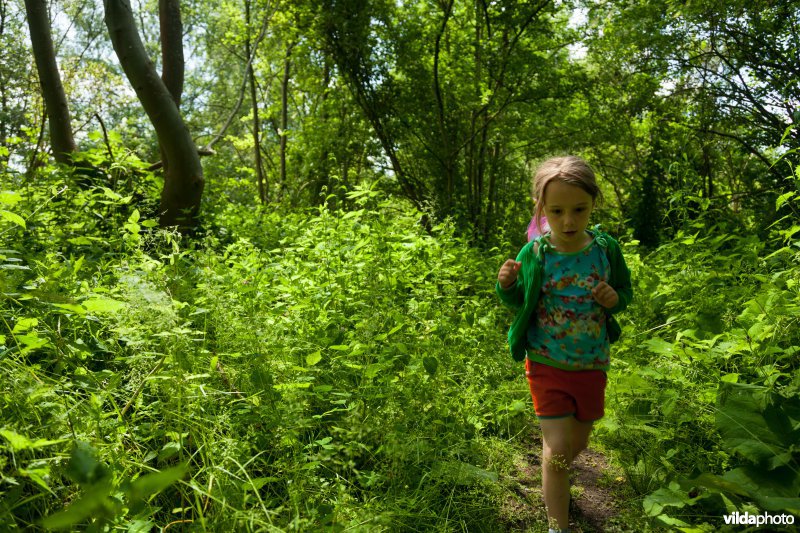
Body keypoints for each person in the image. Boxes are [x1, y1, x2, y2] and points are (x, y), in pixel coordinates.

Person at [496, 156, 632, 533]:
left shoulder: (605, 249)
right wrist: (507, 285)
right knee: (557, 452)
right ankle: (557, 525)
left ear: (593, 204)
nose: (568, 221)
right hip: (546, 361)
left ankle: (554, 472)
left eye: (579, 210)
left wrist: (614, 299)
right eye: (557, 211)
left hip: (591, 362)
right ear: (541, 208)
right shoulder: (535, 253)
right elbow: (519, 300)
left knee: (578, 442)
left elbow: (625, 291)